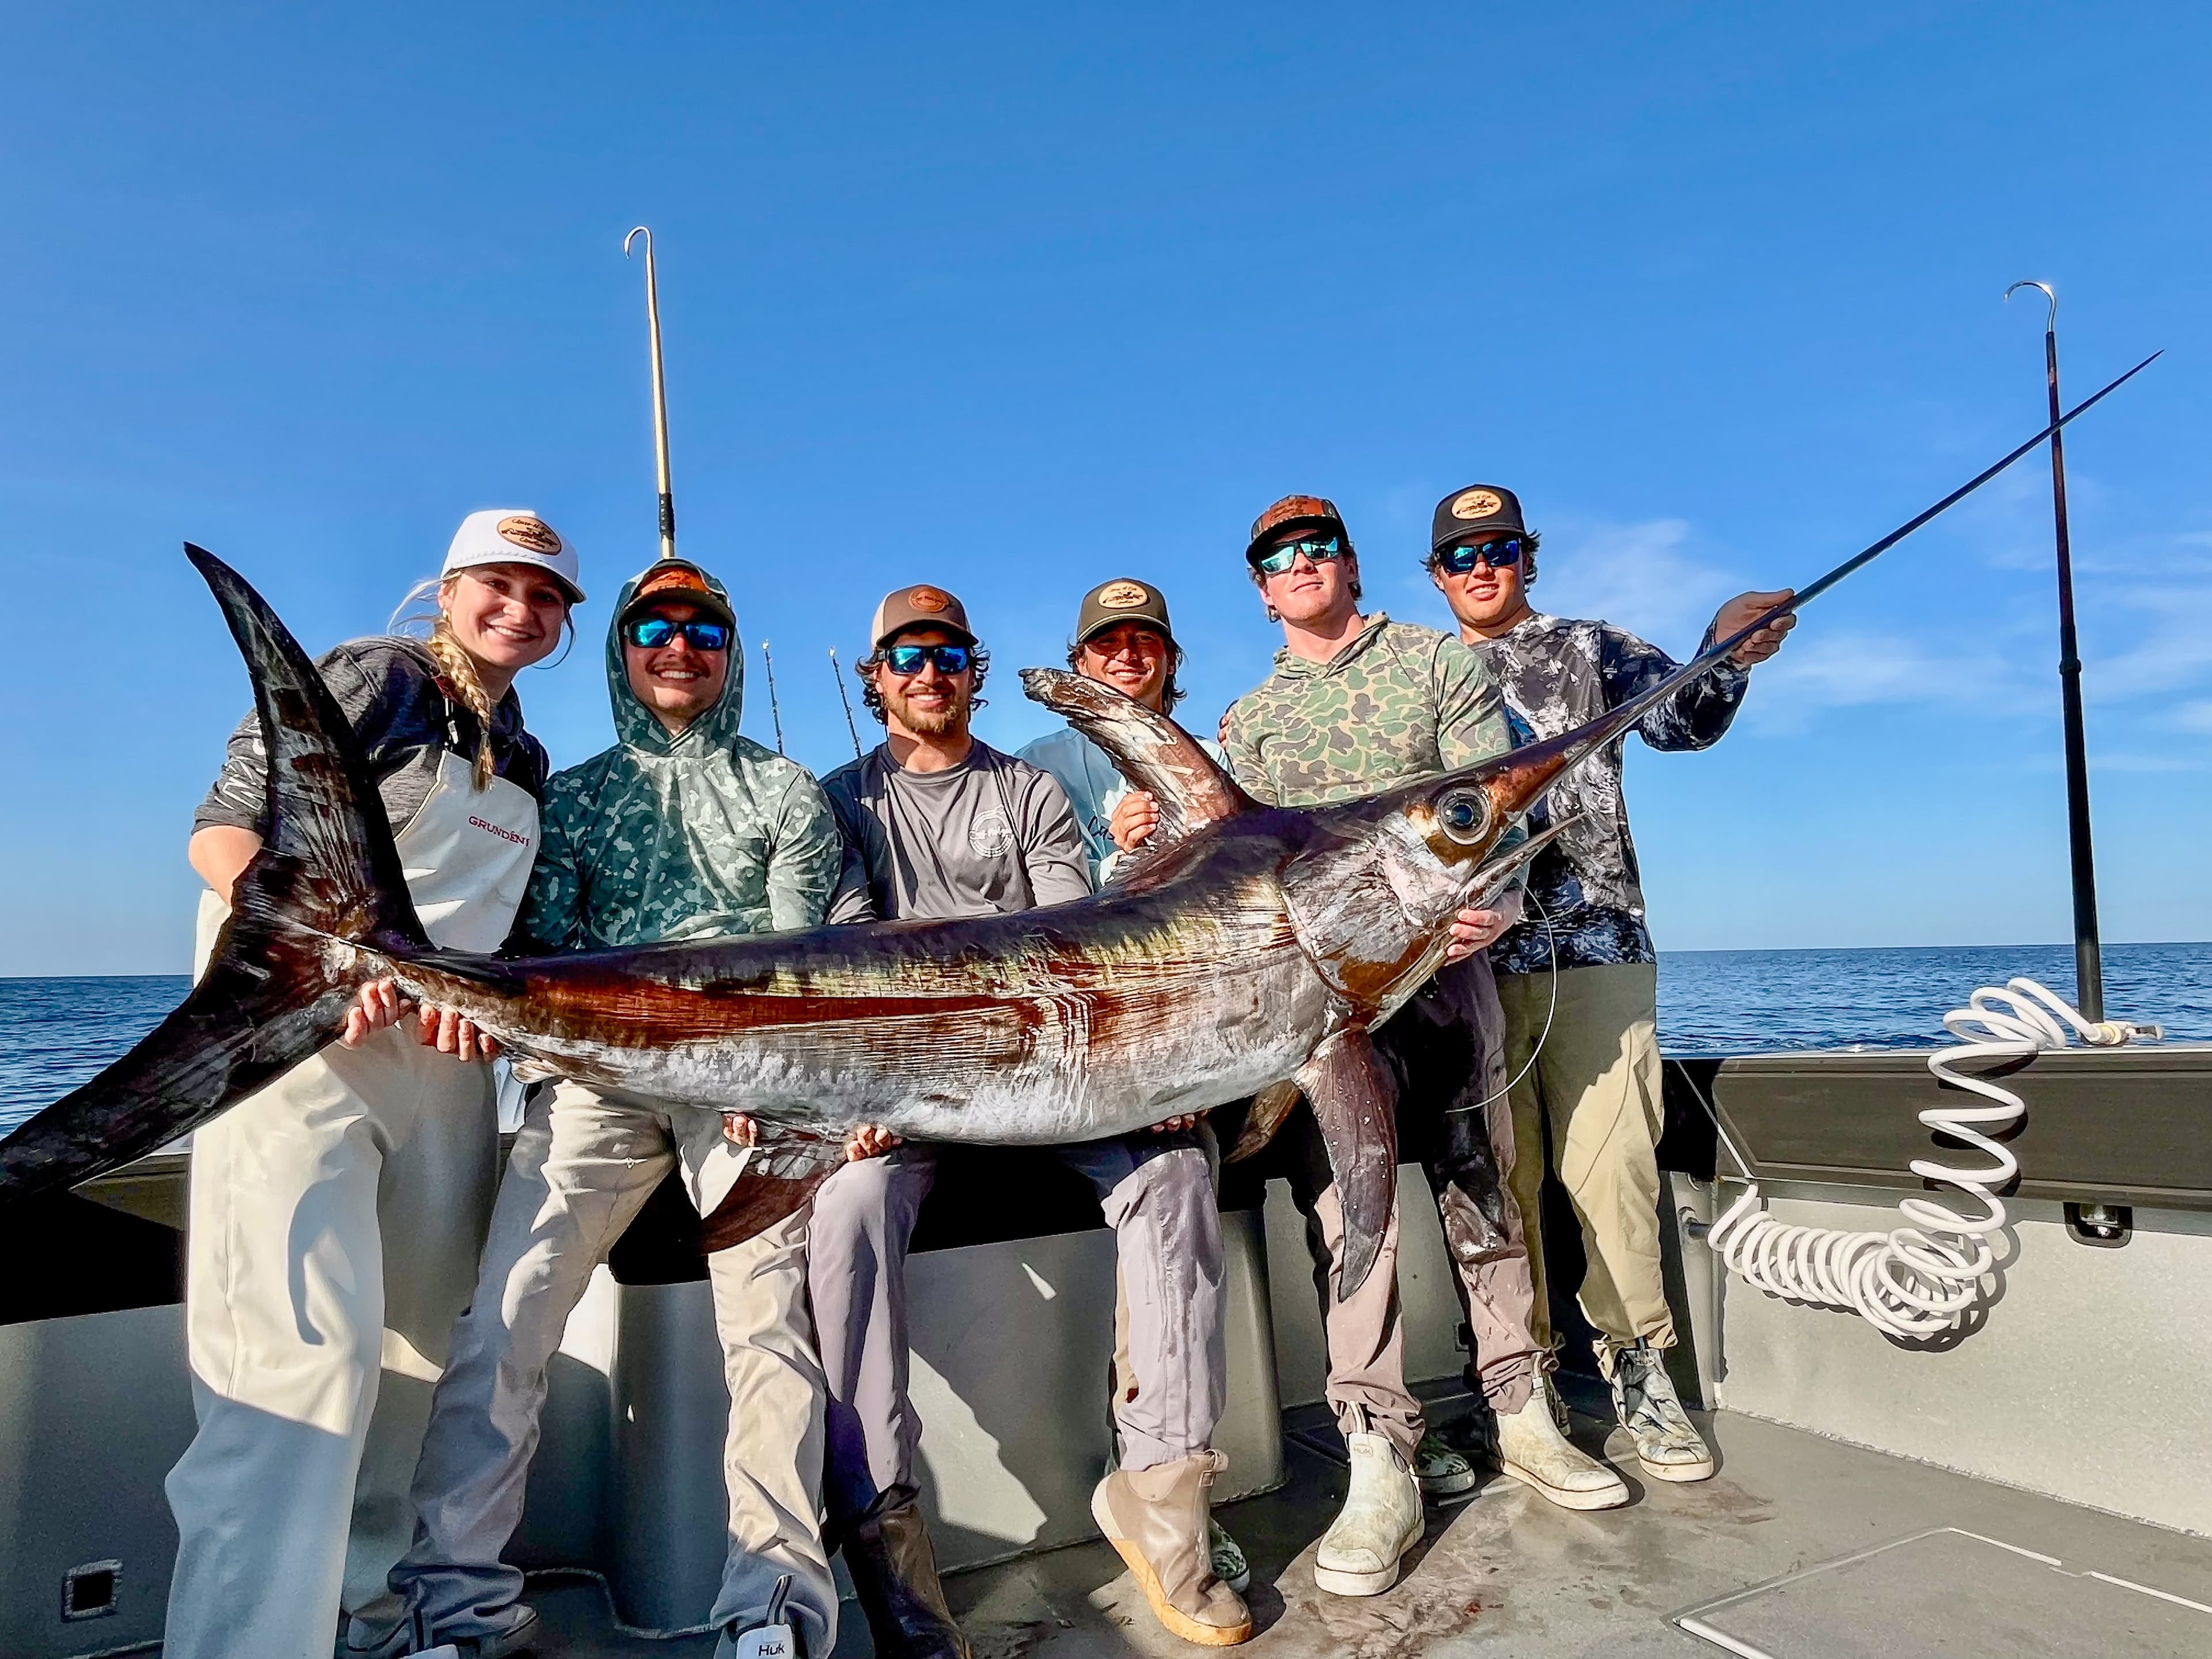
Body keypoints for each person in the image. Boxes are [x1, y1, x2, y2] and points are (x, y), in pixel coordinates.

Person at [347, 556, 855, 1659]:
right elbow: (538, 957)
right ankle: (453, 1603)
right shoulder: (564, 797)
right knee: (507, 1315)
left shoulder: (788, 794)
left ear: (726, 652)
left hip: (745, 1086)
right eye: (654, 629)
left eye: (704, 631)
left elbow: (792, 958)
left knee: (769, 1323)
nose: (680, 647)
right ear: (623, 650)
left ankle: (771, 1605)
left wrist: (756, 1079)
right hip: (594, 1083)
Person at [167, 509, 579, 1659]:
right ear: (444, 591)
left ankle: (371, 1620)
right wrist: (328, 956)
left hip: (443, 1071)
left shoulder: (528, 754)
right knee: (302, 1363)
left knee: (411, 1363)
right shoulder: (374, 681)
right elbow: (221, 832)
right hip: (302, 1043)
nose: (517, 610)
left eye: (545, 596)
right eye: (495, 585)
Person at [810, 584, 1253, 1652]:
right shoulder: (838, 799)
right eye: (906, 657)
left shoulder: (1030, 790)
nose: (928, 672)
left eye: (948, 654)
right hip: (915, 1084)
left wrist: (1141, 1085)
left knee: (1179, 1169)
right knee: (848, 1204)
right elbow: (855, 956)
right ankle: (887, 1542)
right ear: (877, 677)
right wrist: (872, 1098)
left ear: (974, 668)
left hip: (1053, 1073)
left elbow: (1078, 934)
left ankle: (1164, 1497)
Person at [1219, 493, 1624, 1599]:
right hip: (1329, 1012)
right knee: (1348, 1215)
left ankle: (1525, 1410)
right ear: (1261, 588)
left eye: (1316, 548)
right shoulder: (1248, 721)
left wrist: (1490, 902)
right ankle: (1378, 1452)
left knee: (1480, 1189)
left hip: (1450, 980)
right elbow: (1245, 876)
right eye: (1277, 558)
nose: (1299, 566)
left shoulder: (1438, 664)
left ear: (1350, 564)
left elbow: (1485, 807)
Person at [1425, 482, 1793, 1483]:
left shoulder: (1589, 648)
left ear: (1526, 559)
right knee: (1497, 1194)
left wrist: (1729, 640)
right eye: (1461, 557)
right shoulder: (1419, 675)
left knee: (1615, 1177)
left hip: (1598, 954)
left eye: (1499, 549)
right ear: (1436, 575)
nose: (1482, 568)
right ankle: (1516, 1387)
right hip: (1467, 976)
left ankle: (1643, 1374)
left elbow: (1688, 720)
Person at [1016, 577, 1254, 1599]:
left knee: (1179, 1176)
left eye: (1143, 642)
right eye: (1106, 645)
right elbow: (1033, 933)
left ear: (1170, 658)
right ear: (1082, 665)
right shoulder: (1030, 773)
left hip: (1183, 1057)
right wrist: (1121, 862)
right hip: (1054, 1046)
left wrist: (1198, 1063)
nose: (1126, 658)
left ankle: (1166, 1489)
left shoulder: (1219, 774)